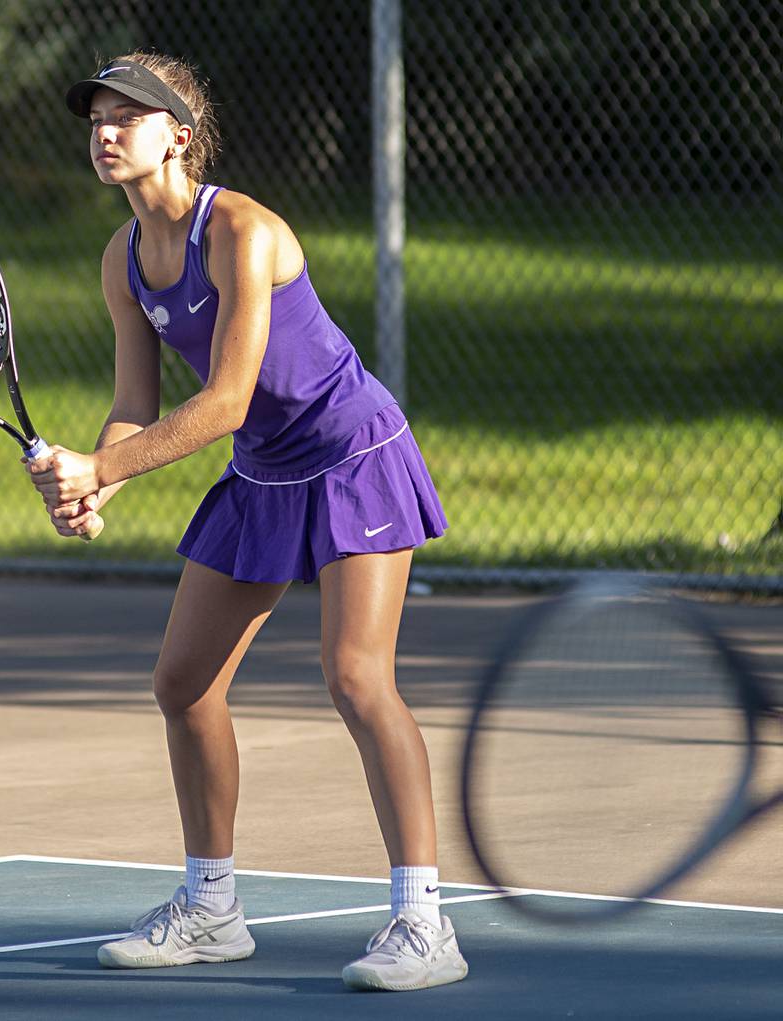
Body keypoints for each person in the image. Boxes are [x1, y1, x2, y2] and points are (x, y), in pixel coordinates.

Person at [26, 52, 467, 992]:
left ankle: (425, 924)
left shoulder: (243, 231)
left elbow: (225, 398)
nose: (106, 132)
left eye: (128, 117)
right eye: (97, 117)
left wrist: (103, 466)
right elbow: (136, 404)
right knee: (183, 684)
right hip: (263, 474)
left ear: (177, 136)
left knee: (355, 676)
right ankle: (213, 907)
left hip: (353, 456)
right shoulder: (123, 258)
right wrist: (95, 484)